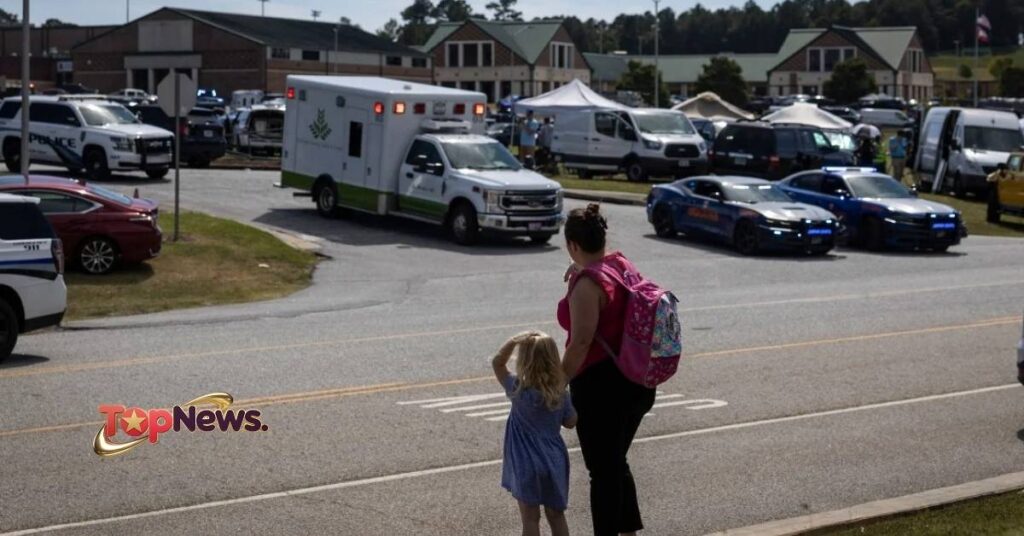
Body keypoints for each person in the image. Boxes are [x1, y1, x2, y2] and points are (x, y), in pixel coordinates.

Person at [558, 204, 656, 536]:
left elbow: (581, 342)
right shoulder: (620, 264)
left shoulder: (588, 285)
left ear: (572, 244)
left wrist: (556, 382)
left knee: (602, 471)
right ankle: (628, 531)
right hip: (638, 381)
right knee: (615, 462)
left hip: (602, 388)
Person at [492, 331, 577, 536]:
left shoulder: (518, 389)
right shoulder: (560, 394)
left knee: (530, 519)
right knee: (556, 516)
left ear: (524, 361)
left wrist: (513, 340)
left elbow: (498, 363)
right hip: (553, 461)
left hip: (525, 463)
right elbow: (571, 422)